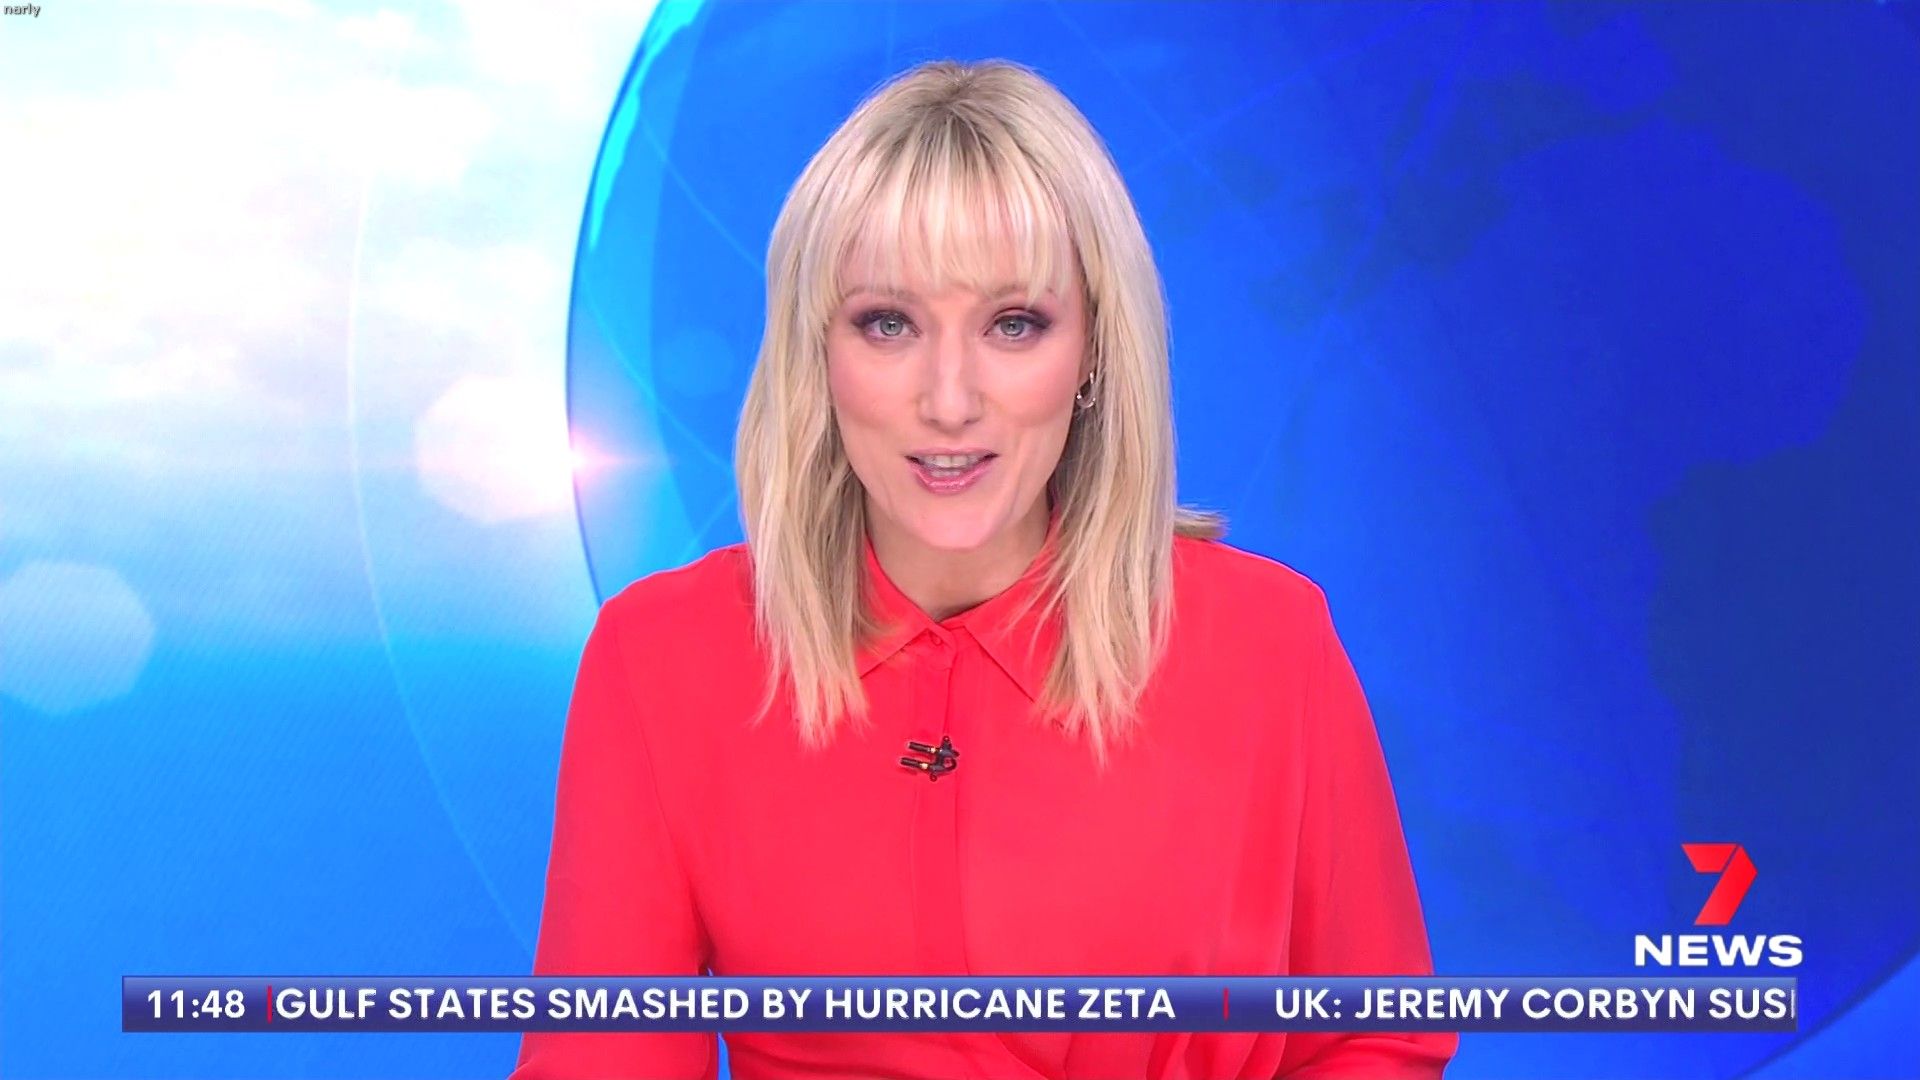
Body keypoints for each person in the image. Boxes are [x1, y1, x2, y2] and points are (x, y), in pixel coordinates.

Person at [511, 58, 1454, 1079]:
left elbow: (1374, 1035)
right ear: (815, 354)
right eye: (888, 324)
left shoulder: (1269, 639)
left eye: (1014, 325)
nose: (950, 401)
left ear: (1093, 351)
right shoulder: (662, 655)